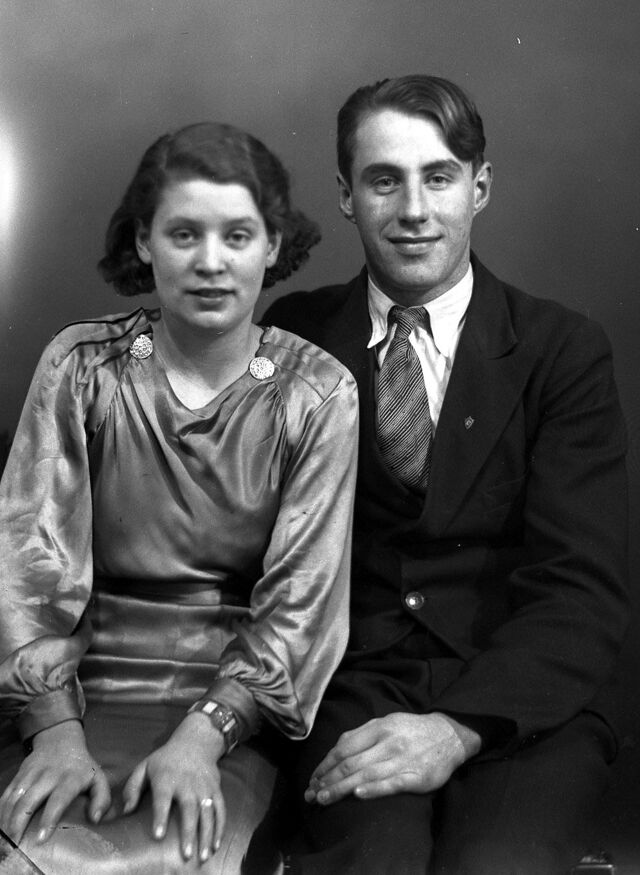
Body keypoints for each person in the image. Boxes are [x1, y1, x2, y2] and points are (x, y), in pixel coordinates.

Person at [263, 75, 630, 874]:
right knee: (373, 860)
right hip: (356, 686)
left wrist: (455, 730)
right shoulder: (294, 336)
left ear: (480, 187)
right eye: (383, 180)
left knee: (498, 860)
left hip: (524, 698)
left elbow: (581, 586)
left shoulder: (561, 350)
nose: (414, 210)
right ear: (345, 196)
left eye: (439, 177)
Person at [0, 122, 358, 874]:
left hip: (229, 713)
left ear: (272, 245)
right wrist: (54, 731)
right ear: (143, 242)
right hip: (69, 699)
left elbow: (301, 609)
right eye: (184, 233)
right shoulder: (81, 368)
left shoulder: (319, 394)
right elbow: (28, 568)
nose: (210, 262)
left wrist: (203, 735)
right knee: (26, 847)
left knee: (176, 854)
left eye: (237, 236)